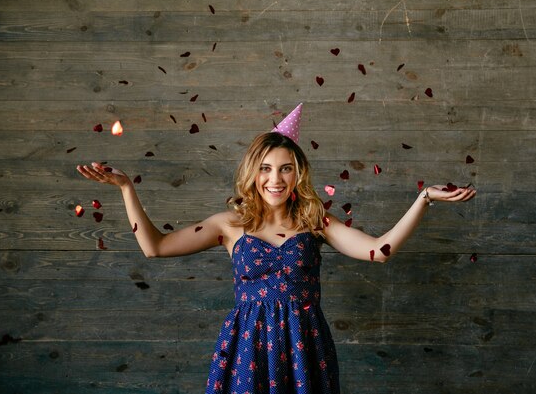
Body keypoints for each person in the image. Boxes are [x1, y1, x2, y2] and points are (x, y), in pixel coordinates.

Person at [76, 103, 475, 394]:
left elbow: (379, 250)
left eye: (285, 168)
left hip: (305, 346)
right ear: (253, 174)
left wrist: (423, 198)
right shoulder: (229, 225)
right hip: (247, 346)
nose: (275, 179)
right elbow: (154, 247)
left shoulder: (314, 222)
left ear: (297, 173)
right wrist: (127, 189)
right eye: (266, 168)